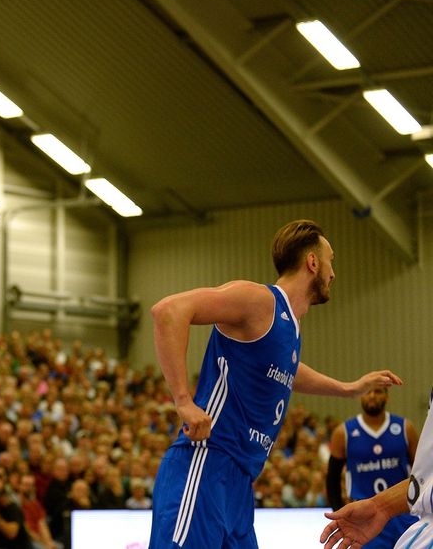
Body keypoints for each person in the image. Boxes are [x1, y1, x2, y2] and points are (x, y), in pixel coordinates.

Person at [148, 220, 402, 548]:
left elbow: (289, 370)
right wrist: (183, 400)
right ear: (313, 262)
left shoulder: (288, 327)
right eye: (331, 261)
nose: (333, 273)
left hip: (239, 481)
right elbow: (168, 310)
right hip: (206, 462)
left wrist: (348, 388)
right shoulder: (259, 299)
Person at [321, 388, 433, 549]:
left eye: (378, 392)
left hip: (402, 514)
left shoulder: (405, 428)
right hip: (364, 515)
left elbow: (424, 473)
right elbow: (332, 478)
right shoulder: (344, 432)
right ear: (360, 396)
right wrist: (340, 512)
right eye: (367, 392)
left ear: (387, 397)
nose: (372, 396)